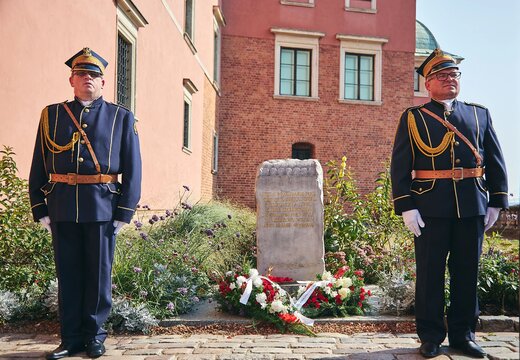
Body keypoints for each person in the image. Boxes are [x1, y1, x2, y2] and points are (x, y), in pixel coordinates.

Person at [390, 49, 508, 358]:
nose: (450, 80)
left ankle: (463, 335)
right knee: (430, 273)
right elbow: (400, 164)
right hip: (430, 205)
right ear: (427, 84)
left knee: (467, 272)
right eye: (442, 76)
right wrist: (406, 205)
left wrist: (496, 200)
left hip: (471, 204)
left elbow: (494, 158)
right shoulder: (414, 117)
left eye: (454, 75)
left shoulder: (479, 114)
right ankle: (430, 336)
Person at [29, 47, 142, 359]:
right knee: (68, 274)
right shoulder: (51, 115)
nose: (87, 79)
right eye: (82, 74)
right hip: (62, 206)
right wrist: (39, 206)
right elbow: (39, 162)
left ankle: (94, 337)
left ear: (103, 82)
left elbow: (133, 167)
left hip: (102, 207)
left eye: (94, 75)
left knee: (98, 276)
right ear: (71, 80)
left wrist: (125, 210)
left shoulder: (121, 117)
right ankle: (69, 339)